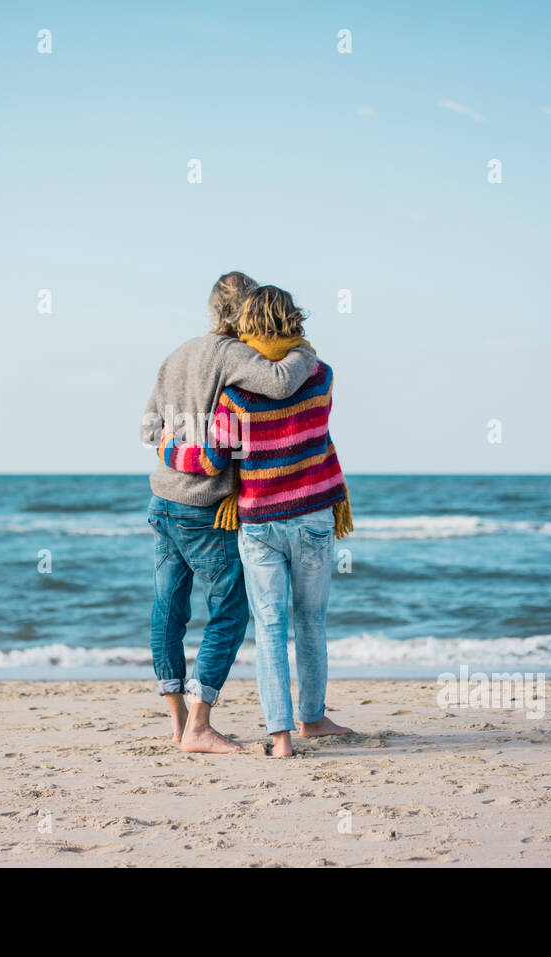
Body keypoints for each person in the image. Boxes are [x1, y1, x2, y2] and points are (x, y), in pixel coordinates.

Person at [158, 285, 354, 756]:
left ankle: (281, 738)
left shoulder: (236, 397)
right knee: (311, 622)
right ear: (296, 320)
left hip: (260, 520)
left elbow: (212, 461)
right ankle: (313, 718)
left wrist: (168, 446)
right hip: (313, 514)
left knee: (268, 626)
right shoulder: (322, 374)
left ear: (246, 327)